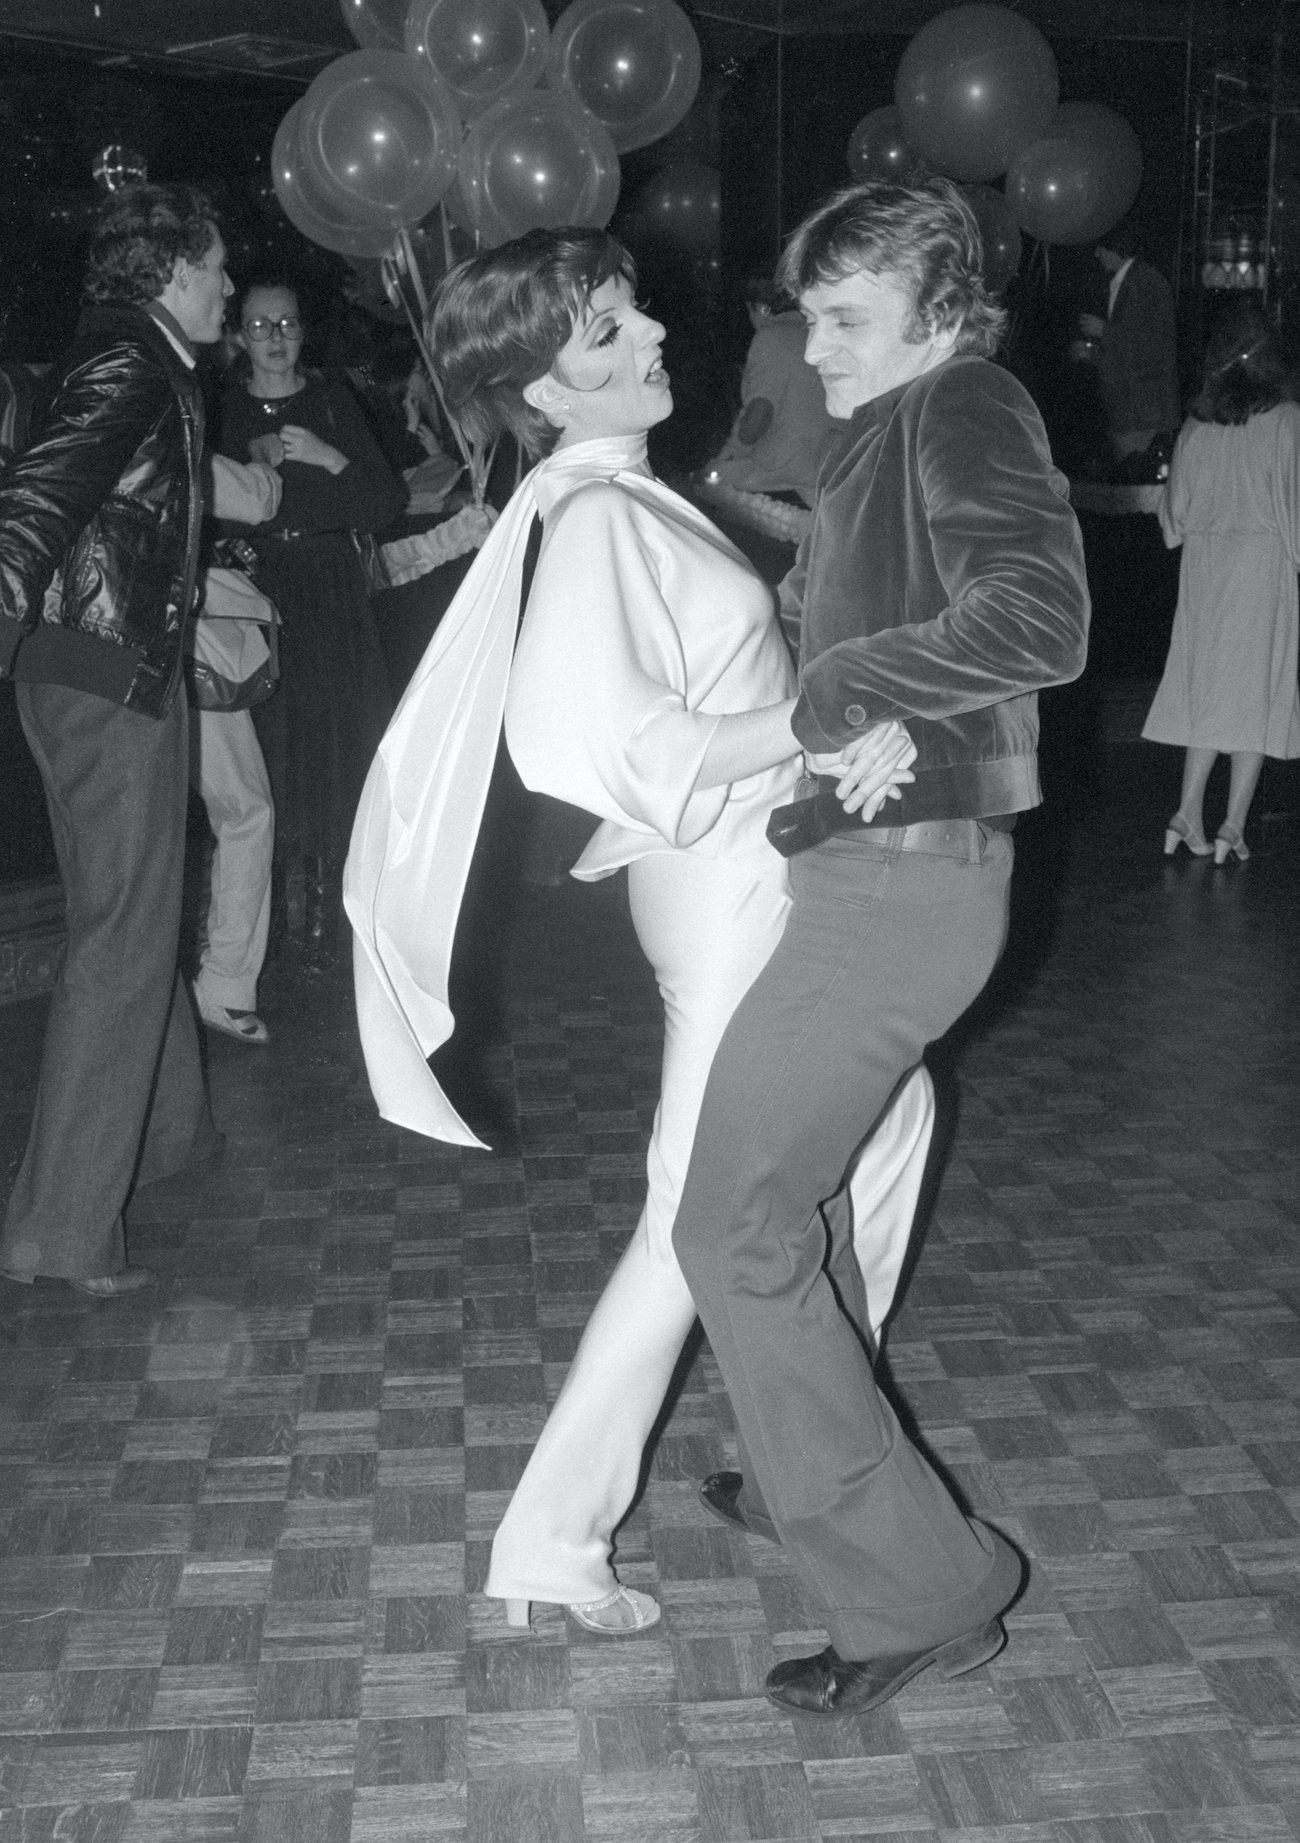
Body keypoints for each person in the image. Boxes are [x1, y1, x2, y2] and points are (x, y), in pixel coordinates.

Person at [345, 226, 939, 1633]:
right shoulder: (599, 515)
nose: (651, 336)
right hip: (731, 885)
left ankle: (790, 1426)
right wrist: (811, 717)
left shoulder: (620, 490)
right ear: (541, 393)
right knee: (700, 1209)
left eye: (633, 311)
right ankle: (556, 1532)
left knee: (891, 1113)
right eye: (604, 335)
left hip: (751, 867)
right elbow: (586, 736)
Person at [669, 176, 1091, 1716]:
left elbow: (1040, 614)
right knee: (809, 1212)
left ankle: (928, 1587)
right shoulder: (893, 428)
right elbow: (918, 624)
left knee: (733, 1223)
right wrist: (882, 700)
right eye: (810, 313)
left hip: (907, 893)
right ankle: (811, 1480)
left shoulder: (966, 400)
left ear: (937, 314)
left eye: (846, 319)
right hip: (883, 869)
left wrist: (853, 696)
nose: (816, 344)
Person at [0, 183, 234, 1297]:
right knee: (122, 932)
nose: (229, 285)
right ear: (172, 272)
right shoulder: (128, 362)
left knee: (139, 911)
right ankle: (57, 1229)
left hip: (105, 665)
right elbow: (36, 498)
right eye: (218, 267)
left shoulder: (135, 357)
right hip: (105, 677)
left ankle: (163, 1142)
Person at [217, 279, 406, 971]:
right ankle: (267, 915)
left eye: (287, 323)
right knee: (266, 746)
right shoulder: (222, 407)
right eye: (260, 325)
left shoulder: (331, 400)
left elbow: (385, 503)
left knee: (334, 741)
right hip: (255, 589)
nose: (274, 337)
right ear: (239, 334)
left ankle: (330, 908)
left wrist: (329, 457)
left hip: (327, 589)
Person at [1143, 301, 1300, 862]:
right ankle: (1231, 824)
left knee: (1208, 691)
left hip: (1205, 569)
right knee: (1254, 694)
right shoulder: (1286, 421)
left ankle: (1187, 812)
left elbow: (1174, 518)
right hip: (1262, 566)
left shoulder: (1196, 426)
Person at [188, 454, 284, 1043]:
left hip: (72, 643)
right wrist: (264, 460)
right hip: (172, 638)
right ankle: (222, 984)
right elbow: (254, 499)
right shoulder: (151, 399)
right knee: (246, 811)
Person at [707, 276, 838, 507]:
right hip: (830, 461)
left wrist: (725, 457)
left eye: (750, 311)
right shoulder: (818, 333)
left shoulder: (769, 338)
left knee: (704, 482)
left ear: (762, 308)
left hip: (785, 467)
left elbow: (757, 417)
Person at [1074, 220, 1180, 466]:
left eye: (1101, 247)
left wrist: (1104, 331)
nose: (1097, 254)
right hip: (1131, 408)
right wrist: (1091, 353)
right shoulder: (1131, 281)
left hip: (1142, 411)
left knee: (1138, 482)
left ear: (1115, 248)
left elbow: (1150, 345)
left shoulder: (1143, 283)